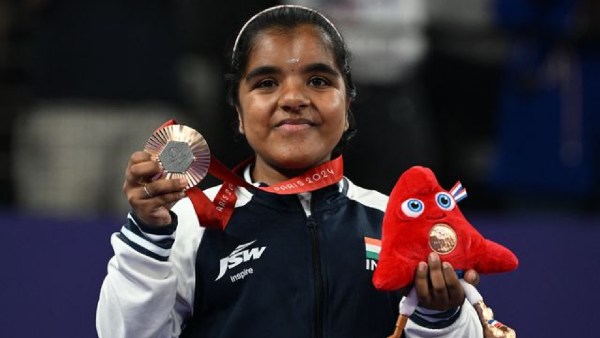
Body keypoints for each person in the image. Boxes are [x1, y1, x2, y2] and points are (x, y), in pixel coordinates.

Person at [96, 5, 483, 338]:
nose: (294, 99)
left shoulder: (396, 223)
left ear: (347, 106)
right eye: (266, 83)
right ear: (239, 114)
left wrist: (442, 316)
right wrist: (149, 238)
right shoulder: (190, 226)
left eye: (318, 81)